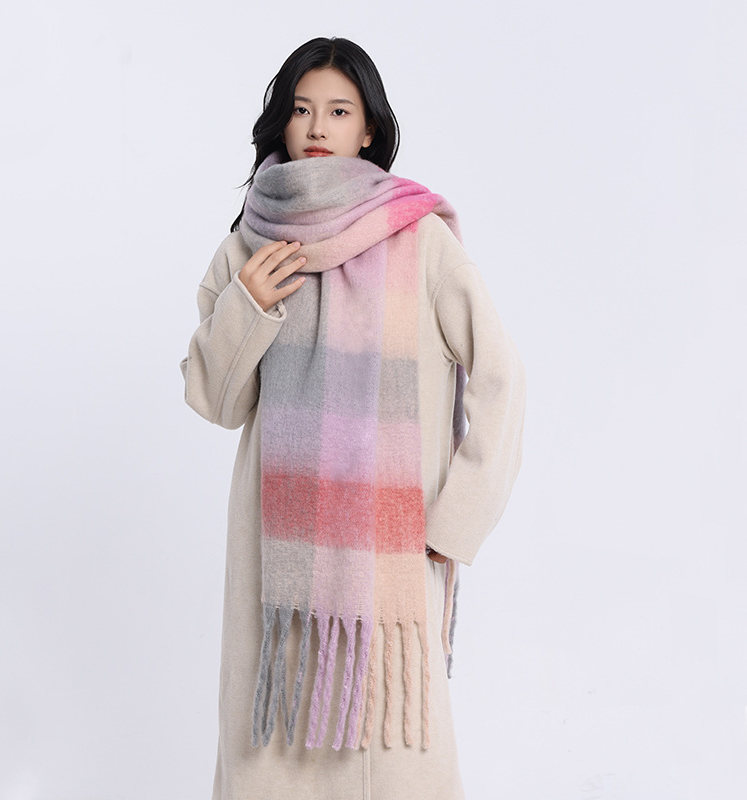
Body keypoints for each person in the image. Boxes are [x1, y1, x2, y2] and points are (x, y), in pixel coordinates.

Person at [181, 36, 526, 800]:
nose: (317, 126)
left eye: (338, 111)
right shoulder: (246, 247)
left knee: (393, 761)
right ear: (281, 119)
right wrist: (248, 306)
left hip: (390, 564)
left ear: (369, 127)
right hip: (274, 577)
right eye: (302, 109)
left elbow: (502, 377)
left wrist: (455, 523)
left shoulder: (420, 240)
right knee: (270, 763)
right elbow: (215, 401)